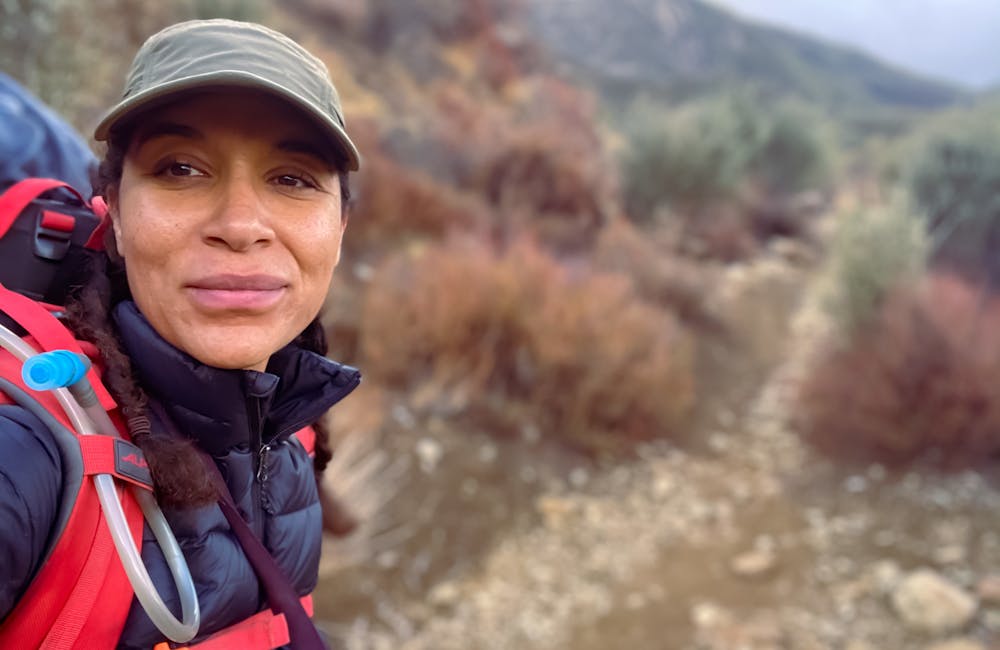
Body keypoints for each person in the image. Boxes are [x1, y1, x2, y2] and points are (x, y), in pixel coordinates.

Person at [0, 18, 362, 649]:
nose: (241, 224)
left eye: (292, 178)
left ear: (339, 230)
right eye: (181, 169)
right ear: (113, 212)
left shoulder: (288, 428)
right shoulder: (28, 455)